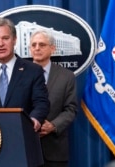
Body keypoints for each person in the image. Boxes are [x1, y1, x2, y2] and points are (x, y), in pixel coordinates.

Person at [29, 29, 77, 167]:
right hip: (24, 148)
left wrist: (53, 125)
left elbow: (71, 109)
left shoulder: (66, 76)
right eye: (34, 45)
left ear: (53, 48)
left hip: (54, 150)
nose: (37, 48)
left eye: (42, 45)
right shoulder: (18, 73)